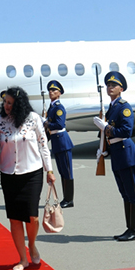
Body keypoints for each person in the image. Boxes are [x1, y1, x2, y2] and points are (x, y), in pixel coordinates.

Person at [0, 86, 55, 270]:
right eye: (5, 102)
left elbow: (43, 145)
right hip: (9, 175)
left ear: (19, 105)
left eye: (11, 103)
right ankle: (22, 258)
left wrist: (49, 170)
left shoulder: (34, 119)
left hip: (32, 173)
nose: (6, 106)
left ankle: (32, 245)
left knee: (32, 216)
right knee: (14, 219)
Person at [93, 71, 135, 242]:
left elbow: (126, 131)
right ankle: (130, 228)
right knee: (125, 193)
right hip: (117, 153)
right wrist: (105, 150)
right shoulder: (112, 107)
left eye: (114, 85)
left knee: (133, 193)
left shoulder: (124, 107)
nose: (110, 87)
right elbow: (109, 135)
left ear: (121, 89)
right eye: (108, 85)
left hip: (126, 153)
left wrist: (106, 128)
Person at [43, 80, 75, 208]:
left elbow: (59, 124)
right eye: (50, 90)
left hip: (63, 142)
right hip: (57, 142)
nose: (51, 92)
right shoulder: (51, 107)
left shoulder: (58, 107)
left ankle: (69, 199)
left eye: (54, 90)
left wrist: (46, 123)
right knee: (62, 171)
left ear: (59, 93)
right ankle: (66, 198)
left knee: (67, 172)